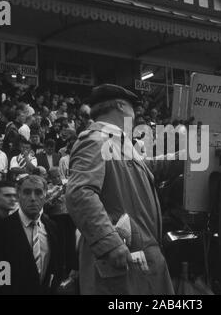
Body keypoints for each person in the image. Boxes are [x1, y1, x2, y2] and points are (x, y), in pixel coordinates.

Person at [66, 84, 174, 295]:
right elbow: (80, 193)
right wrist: (109, 243)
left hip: (137, 256)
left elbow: (146, 166)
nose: (134, 117)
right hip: (122, 259)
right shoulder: (95, 139)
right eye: (134, 110)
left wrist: (188, 156)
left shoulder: (117, 142)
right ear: (122, 107)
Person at [0, 175, 62, 295]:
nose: (33, 198)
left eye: (38, 192)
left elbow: (56, 268)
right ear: (18, 195)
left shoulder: (52, 227)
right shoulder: (0, 229)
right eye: (27, 192)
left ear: (45, 195)